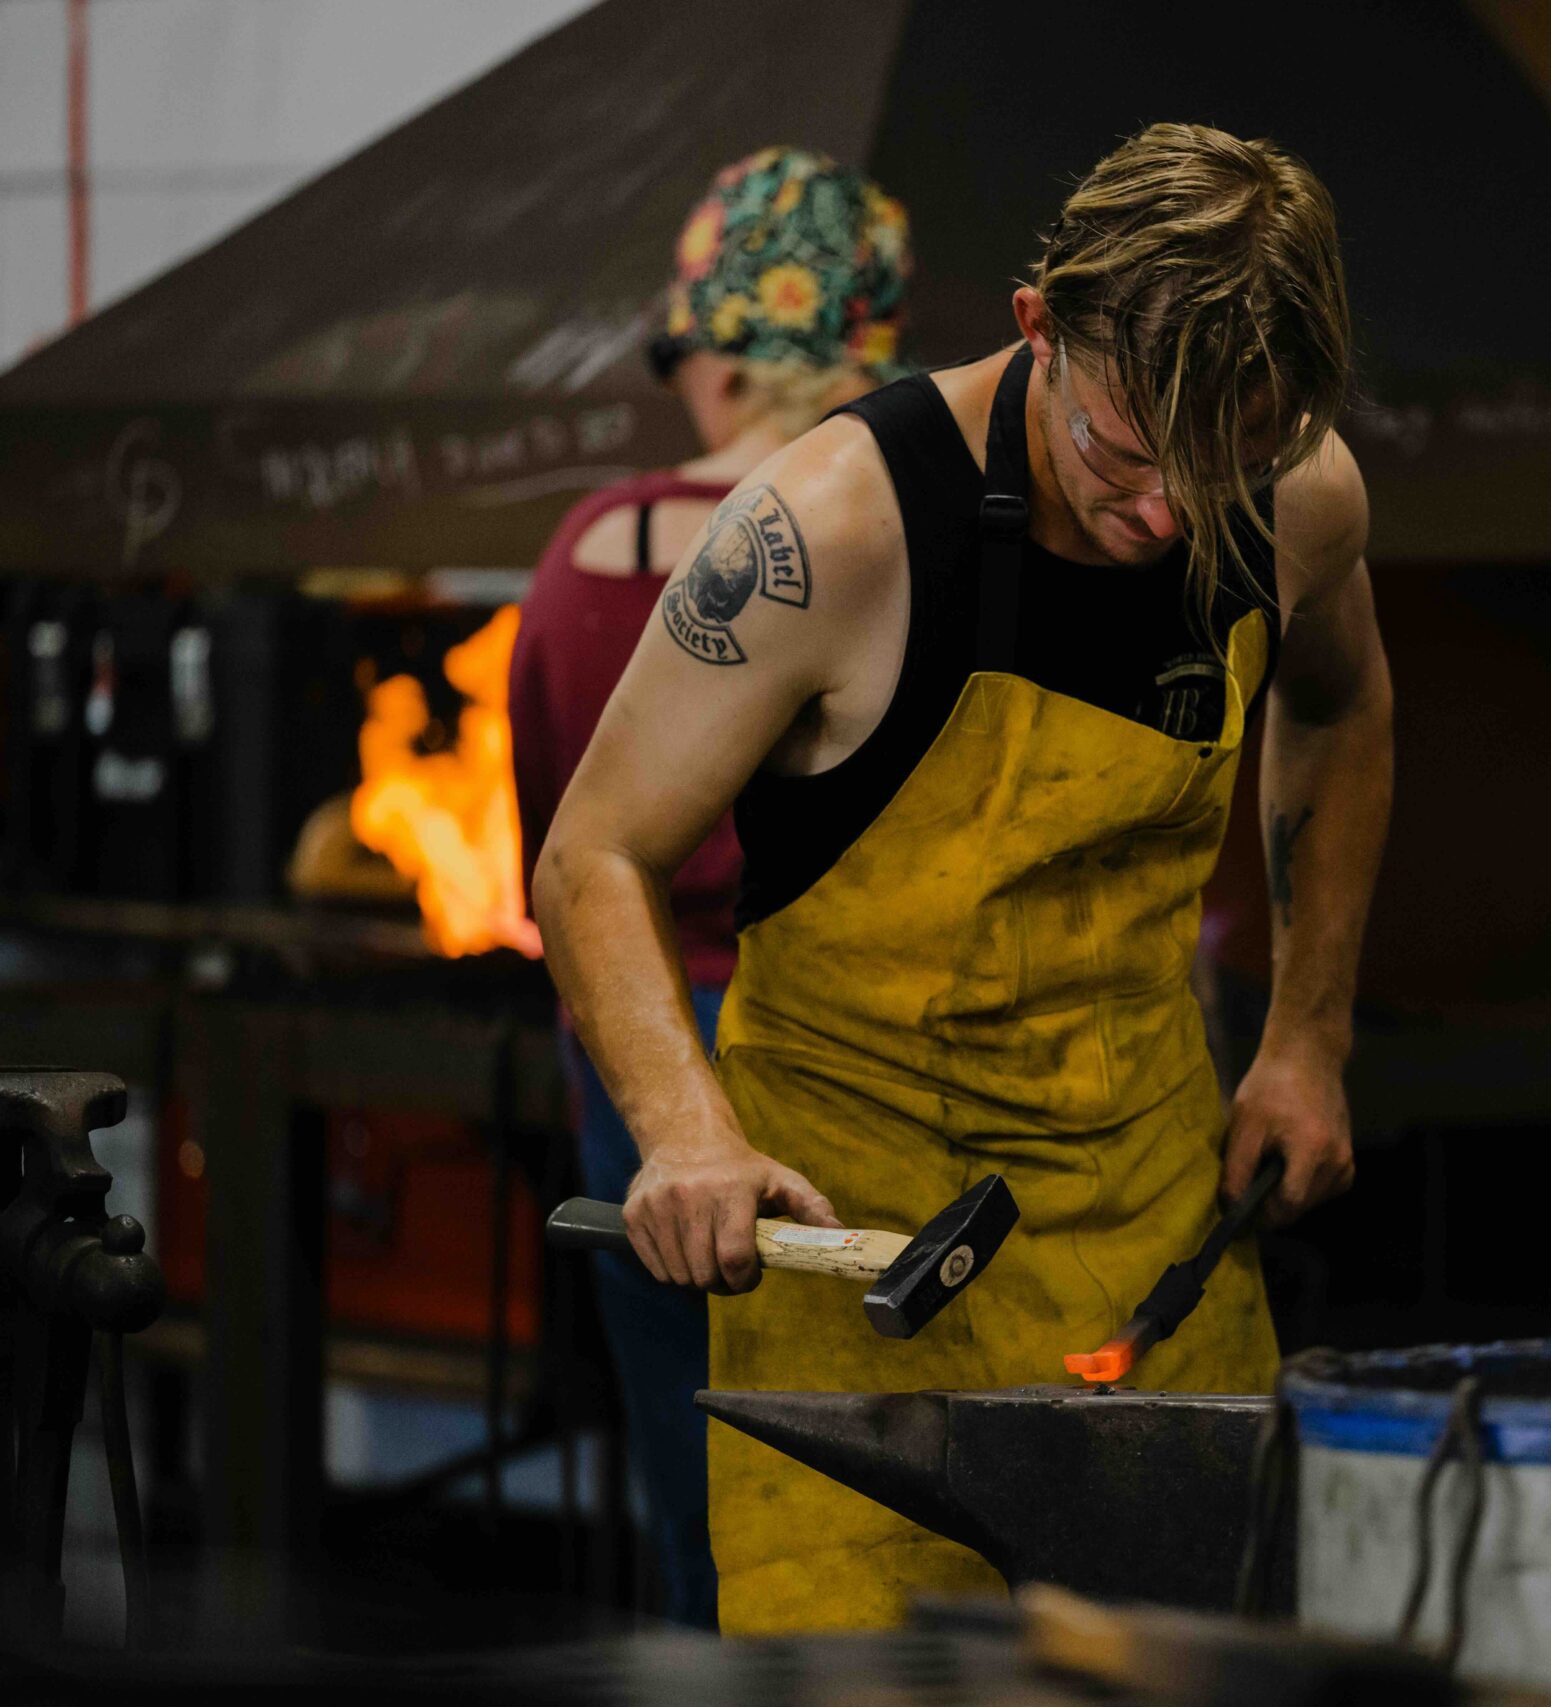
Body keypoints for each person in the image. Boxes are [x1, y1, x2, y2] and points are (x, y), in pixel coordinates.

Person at [532, 122, 1392, 1634]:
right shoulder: (831, 529)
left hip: (1152, 1218)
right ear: (1039, 327)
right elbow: (594, 852)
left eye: (1224, 467)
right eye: (1125, 453)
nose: (1169, 517)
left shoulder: (1301, 498)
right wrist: (686, 1133)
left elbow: (1342, 707)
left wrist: (1308, 1037)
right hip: (857, 1261)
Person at [508, 144, 915, 1628]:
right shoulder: (896, 540)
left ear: (730, 364)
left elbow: (561, 851)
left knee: (705, 1510)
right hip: (853, 1049)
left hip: (638, 1054)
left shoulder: (590, 551)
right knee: (889, 1500)